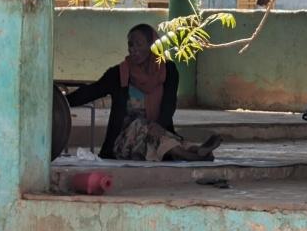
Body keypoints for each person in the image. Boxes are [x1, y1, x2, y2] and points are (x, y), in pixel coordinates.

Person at [65, 24, 222, 161]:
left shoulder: (168, 70)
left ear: (152, 46)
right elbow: (92, 91)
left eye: (139, 44)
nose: (133, 50)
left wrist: (160, 124)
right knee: (142, 125)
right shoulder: (118, 73)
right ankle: (191, 155)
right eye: (130, 45)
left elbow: (169, 103)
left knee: (160, 136)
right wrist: (60, 100)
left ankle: (196, 151)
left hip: (157, 133)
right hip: (124, 140)